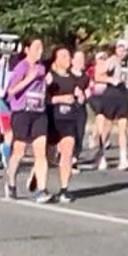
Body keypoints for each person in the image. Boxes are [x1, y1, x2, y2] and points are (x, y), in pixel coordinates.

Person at [4, 39, 51, 202]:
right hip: (22, 112)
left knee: (41, 152)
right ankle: (10, 183)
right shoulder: (21, 67)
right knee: (19, 151)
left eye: (41, 47)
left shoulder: (42, 68)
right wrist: (29, 78)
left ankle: (42, 189)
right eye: (36, 47)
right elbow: (11, 91)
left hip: (39, 112)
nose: (40, 50)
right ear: (27, 49)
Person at [45, 46, 87, 203]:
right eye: (63, 56)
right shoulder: (49, 76)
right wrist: (59, 99)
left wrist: (80, 97)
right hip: (52, 118)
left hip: (68, 119)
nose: (68, 59)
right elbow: (44, 98)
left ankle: (64, 189)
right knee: (49, 156)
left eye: (68, 56)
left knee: (67, 153)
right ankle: (38, 176)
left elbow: (79, 95)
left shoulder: (73, 78)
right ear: (56, 59)